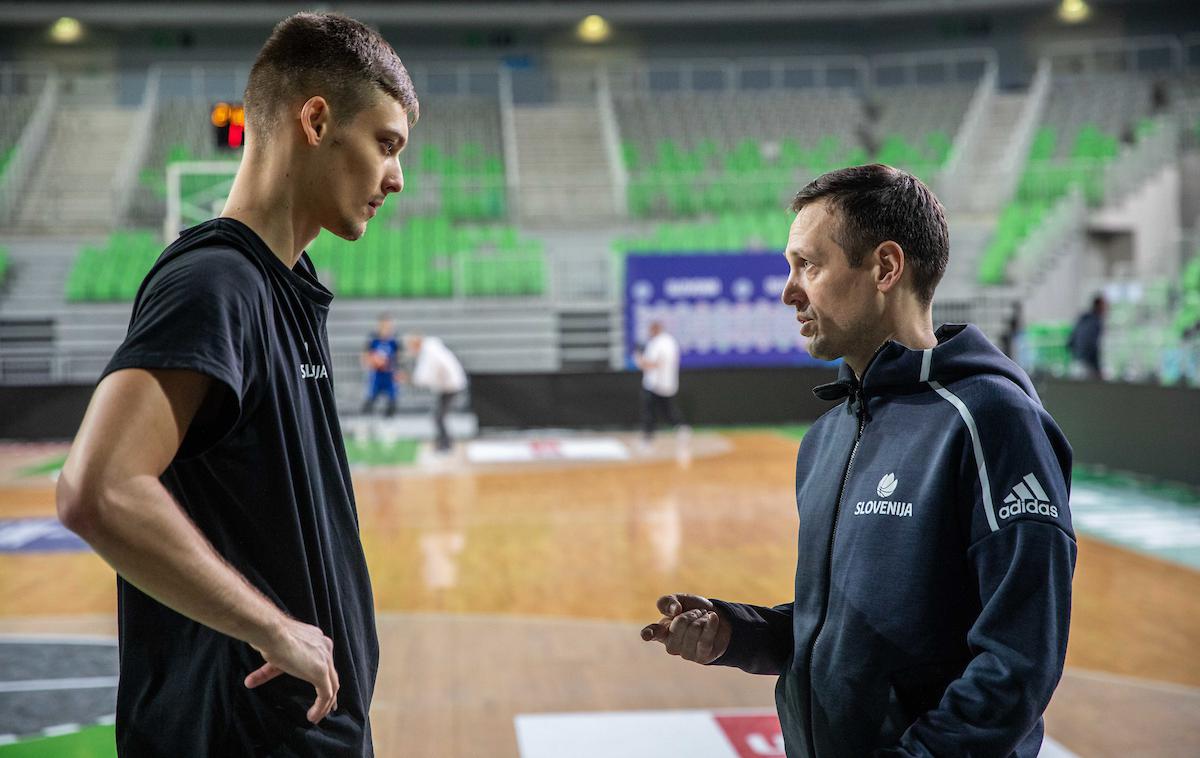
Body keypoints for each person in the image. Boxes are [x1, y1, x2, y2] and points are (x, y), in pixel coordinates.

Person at [54, 12, 417, 755]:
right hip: (239, 737)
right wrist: (272, 628)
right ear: (316, 120)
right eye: (386, 144)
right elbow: (98, 489)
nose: (397, 177)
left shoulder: (287, 284)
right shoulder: (216, 283)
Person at [641, 164, 1076, 758]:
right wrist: (736, 634)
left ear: (885, 268)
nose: (788, 290)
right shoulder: (827, 436)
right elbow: (836, 626)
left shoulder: (991, 419)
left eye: (808, 266)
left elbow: (1018, 661)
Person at [401, 333, 467, 452]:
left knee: (439, 417)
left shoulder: (429, 352)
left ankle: (445, 445)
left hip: (451, 386)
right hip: (447, 385)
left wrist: (406, 378)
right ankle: (443, 443)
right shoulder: (431, 348)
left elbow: (422, 378)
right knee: (439, 416)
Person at [634, 320, 685, 443]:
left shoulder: (658, 343)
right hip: (666, 383)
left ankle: (649, 435)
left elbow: (655, 363)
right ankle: (680, 429)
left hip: (656, 383)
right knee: (666, 409)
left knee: (653, 410)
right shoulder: (670, 341)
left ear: (655, 329)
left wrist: (639, 359)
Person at [361, 313, 401, 417]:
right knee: (370, 400)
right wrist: (374, 360)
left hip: (390, 375)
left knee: (392, 402)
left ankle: (388, 424)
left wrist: (395, 367)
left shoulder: (394, 340)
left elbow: (399, 357)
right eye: (384, 324)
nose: (387, 327)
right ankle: (365, 422)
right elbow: (365, 356)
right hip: (376, 375)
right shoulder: (373, 339)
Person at [1068, 294, 1106, 379]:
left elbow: (1070, 341)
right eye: (1104, 305)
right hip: (1087, 365)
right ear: (1098, 306)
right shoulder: (1095, 322)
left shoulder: (1083, 319)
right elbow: (1092, 346)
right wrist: (1097, 369)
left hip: (1077, 362)